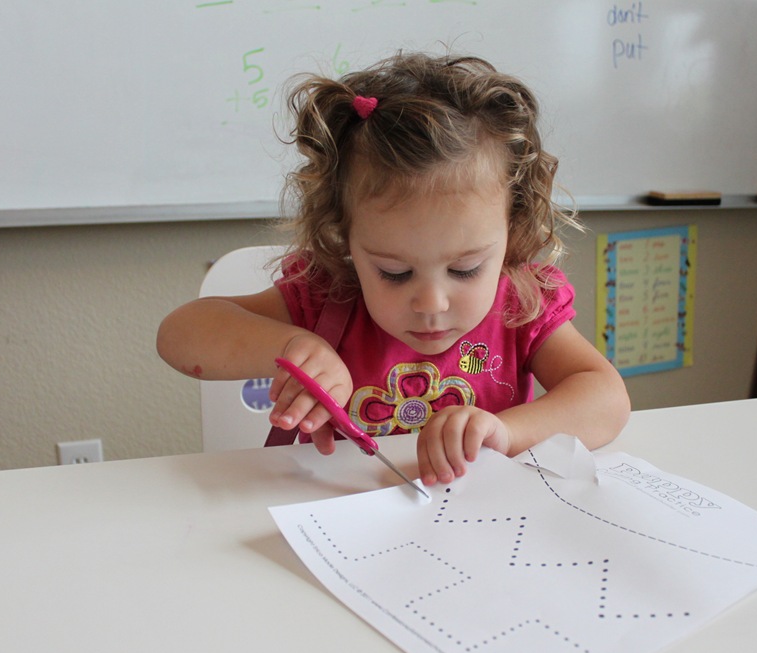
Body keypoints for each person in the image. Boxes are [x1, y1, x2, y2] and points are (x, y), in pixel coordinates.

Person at [157, 52, 630, 487]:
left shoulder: (519, 302)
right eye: (394, 273)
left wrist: (504, 431)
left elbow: (606, 399)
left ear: (513, 229)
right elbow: (180, 334)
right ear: (345, 238)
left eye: (465, 269)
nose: (431, 303)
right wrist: (293, 346)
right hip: (343, 520)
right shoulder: (330, 297)